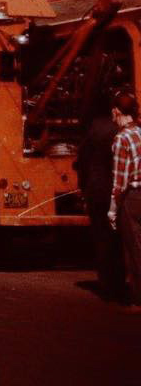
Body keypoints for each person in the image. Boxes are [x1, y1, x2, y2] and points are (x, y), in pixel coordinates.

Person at [73, 103, 124, 300]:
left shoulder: (93, 131)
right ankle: (121, 281)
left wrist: (83, 187)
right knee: (119, 238)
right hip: (119, 189)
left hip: (97, 190)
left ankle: (108, 284)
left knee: (102, 238)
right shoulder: (120, 131)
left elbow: (83, 162)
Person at [107, 91, 141, 312]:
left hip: (132, 198)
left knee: (135, 248)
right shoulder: (140, 132)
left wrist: (112, 210)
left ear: (117, 111)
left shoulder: (121, 138)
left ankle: (138, 300)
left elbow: (120, 181)